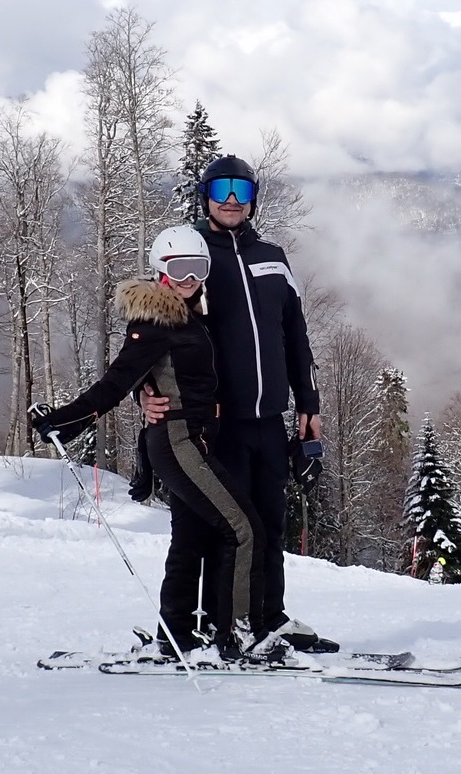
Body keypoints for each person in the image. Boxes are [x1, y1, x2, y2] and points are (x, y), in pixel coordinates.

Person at [28, 225, 267, 661]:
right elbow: (117, 381)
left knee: (191, 538)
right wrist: (64, 422)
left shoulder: (193, 314)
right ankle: (236, 637)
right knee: (242, 528)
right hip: (178, 441)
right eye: (179, 268)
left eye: (198, 267)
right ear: (160, 269)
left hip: (194, 440)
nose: (189, 277)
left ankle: (175, 635)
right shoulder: (154, 321)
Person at [146, 154, 333, 653]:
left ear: (254, 199)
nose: (231, 200)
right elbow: (156, 329)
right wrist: (149, 390)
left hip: (269, 420)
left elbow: (295, 334)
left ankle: (269, 618)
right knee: (221, 529)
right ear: (204, 194)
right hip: (216, 424)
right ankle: (218, 626)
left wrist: (308, 403)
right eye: (222, 189)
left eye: (242, 191)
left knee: (270, 526)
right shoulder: (192, 257)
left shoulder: (272, 256)